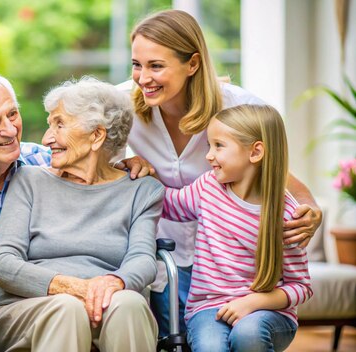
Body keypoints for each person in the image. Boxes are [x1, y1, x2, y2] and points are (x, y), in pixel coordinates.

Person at [125, 9, 322, 337]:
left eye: (156, 65)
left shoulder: (238, 108)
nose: (143, 77)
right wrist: (126, 166)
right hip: (162, 258)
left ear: (193, 63)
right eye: (136, 64)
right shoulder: (125, 106)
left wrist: (310, 211)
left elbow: (280, 176)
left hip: (229, 267)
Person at [0, 68, 149, 295]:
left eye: (13, 114)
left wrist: (122, 167)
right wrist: (22, 271)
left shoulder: (44, 160)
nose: (10, 130)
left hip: (57, 297)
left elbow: (94, 174)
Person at [0, 77, 163, 352]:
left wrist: (114, 281)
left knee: (129, 303)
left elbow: (142, 258)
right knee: (67, 309)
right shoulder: (29, 180)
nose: (47, 139)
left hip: (106, 301)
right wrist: (69, 287)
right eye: (49, 125)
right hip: (27, 308)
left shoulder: (142, 190)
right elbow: (1, 262)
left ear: (96, 135)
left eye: (59, 124)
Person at [161, 104, 312, 351]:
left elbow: (301, 287)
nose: (209, 155)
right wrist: (135, 176)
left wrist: (252, 303)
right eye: (209, 146)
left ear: (255, 152)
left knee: (248, 333)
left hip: (268, 313)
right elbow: (170, 204)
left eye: (219, 146)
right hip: (208, 309)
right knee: (211, 346)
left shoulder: (287, 216)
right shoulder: (208, 188)